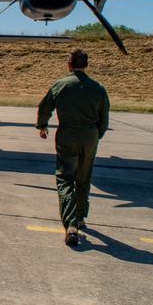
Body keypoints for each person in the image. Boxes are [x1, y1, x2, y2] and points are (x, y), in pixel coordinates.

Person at [36, 48, 110, 247]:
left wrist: (42, 125)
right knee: (84, 177)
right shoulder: (98, 88)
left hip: (67, 135)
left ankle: (70, 225)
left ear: (69, 64)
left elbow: (45, 107)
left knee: (65, 178)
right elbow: (104, 119)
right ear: (86, 65)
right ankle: (80, 217)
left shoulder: (61, 85)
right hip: (90, 135)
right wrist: (95, 136)